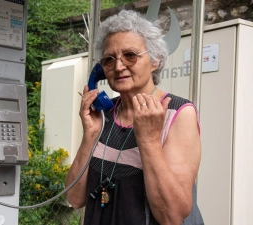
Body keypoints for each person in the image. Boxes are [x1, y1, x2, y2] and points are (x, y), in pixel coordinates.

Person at [65, 10, 204, 225]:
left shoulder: (178, 114)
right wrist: (90, 136)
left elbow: (172, 216)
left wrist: (149, 141)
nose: (119, 66)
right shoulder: (104, 115)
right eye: (109, 60)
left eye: (130, 55)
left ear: (155, 60)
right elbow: (74, 198)